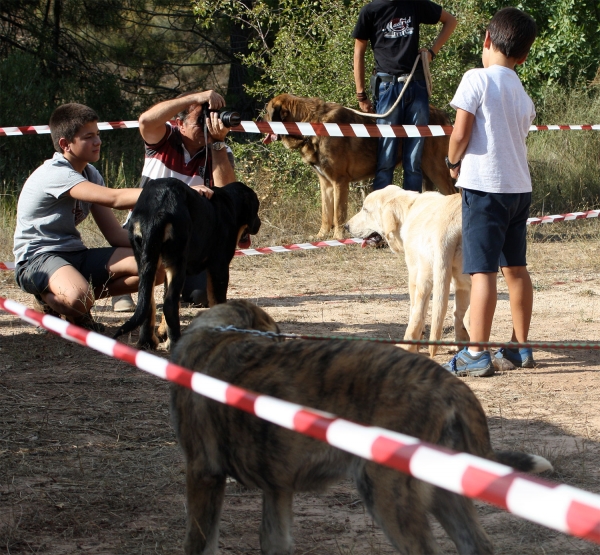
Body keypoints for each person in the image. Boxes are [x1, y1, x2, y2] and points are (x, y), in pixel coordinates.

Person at [442, 7, 538, 376]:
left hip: (484, 189)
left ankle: (475, 354)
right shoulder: (521, 92)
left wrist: (453, 163)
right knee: (516, 268)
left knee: (481, 273)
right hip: (518, 189)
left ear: (487, 39)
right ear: (524, 55)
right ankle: (519, 347)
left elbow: (461, 134)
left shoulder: (475, 79)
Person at [13, 103, 157, 331]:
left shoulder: (90, 173)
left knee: (155, 266)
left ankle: (75, 300)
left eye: (98, 135)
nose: (98, 141)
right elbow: (115, 198)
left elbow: (115, 235)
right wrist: (172, 192)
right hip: (37, 259)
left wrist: (158, 246)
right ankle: (47, 297)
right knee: (79, 297)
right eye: (88, 137)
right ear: (65, 144)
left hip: (75, 255)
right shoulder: (56, 173)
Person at [112, 89, 236, 311]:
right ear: (181, 124)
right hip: (147, 224)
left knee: (199, 296)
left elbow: (227, 192)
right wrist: (195, 98)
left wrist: (218, 143)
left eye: (211, 119)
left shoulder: (218, 149)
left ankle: (174, 288)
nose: (207, 126)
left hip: (185, 234)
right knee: (146, 266)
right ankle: (123, 290)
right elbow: (146, 120)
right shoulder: (164, 138)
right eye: (200, 121)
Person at [353, 0, 456, 192]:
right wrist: (361, 95)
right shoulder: (371, 11)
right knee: (385, 159)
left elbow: (450, 21)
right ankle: (381, 218)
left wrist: (432, 52)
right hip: (386, 88)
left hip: (415, 85)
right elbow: (359, 52)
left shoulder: (414, 4)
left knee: (413, 162)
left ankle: (411, 216)